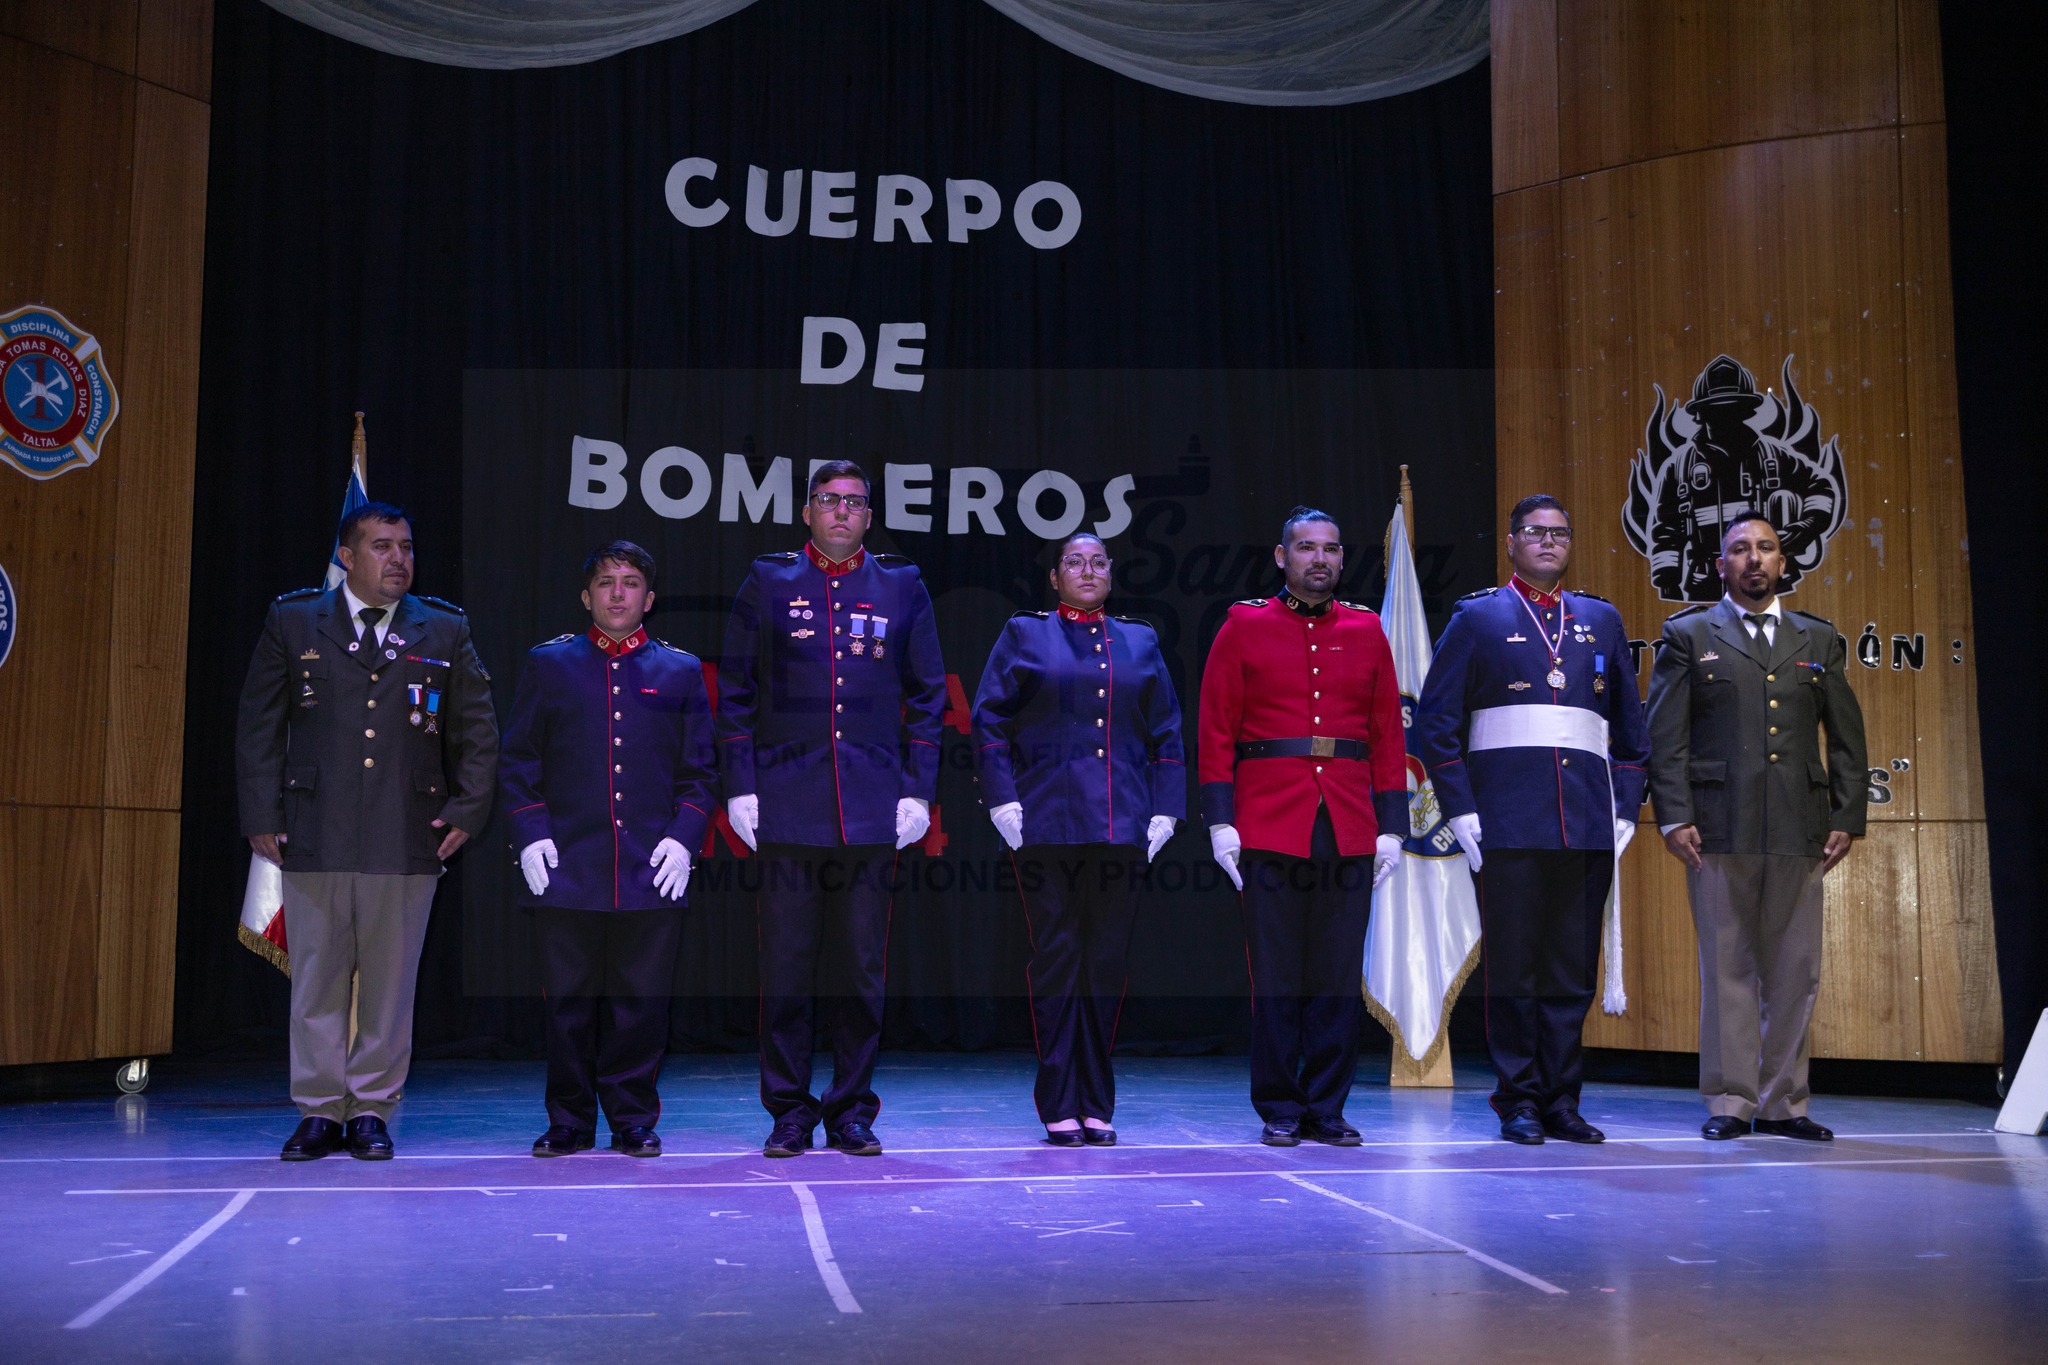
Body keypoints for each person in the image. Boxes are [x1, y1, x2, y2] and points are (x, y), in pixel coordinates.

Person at [237, 502, 497, 1161]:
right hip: (315, 828)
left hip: (406, 831)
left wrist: (468, 809)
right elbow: (259, 728)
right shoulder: (296, 619)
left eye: (406, 546)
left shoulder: (443, 629)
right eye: (382, 546)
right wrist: (262, 816)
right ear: (346, 558)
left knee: (388, 983)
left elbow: (478, 732)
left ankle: (372, 1108)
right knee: (318, 976)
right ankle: (321, 1110)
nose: (399, 559)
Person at [718, 460, 947, 1158]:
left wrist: (919, 788)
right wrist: (740, 785)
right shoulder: (771, 578)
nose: (842, 512)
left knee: (860, 970)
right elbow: (735, 690)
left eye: (854, 502)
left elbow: (930, 695)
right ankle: (789, 1108)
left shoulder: (901, 584)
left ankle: (851, 1108)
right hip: (788, 803)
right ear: (808, 511)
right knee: (786, 967)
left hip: (873, 805)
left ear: (870, 516)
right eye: (829, 500)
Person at [1414, 494, 1649, 1145]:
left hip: (1586, 824)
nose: (1549, 541)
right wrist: (1459, 808)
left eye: (1560, 533)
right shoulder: (1478, 617)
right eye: (1535, 532)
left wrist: (1625, 809)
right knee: (1515, 970)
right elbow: (1435, 723)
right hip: (1505, 824)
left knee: (1572, 970)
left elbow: (1631, 730)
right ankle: (1518, 1097)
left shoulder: (1600, 620)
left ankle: (1562, 1099)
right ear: (1512, 543)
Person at [1645, 510, 1867, 1141]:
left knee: (1795, 972)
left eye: (1765, 548)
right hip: (1717, 827)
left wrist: (1847, 815)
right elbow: (1667, 737)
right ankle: (1732, 1103)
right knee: (1728, 970)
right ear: (1722, 565)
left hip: (1800, 827)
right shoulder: (1690, 634)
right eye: (1739, 549)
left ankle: (1785, 1104)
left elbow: (1847, 739)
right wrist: (1675, 815)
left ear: (1783, 562)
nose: (1753, 559)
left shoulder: (1816, 640)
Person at [499, 542, 716, 1158]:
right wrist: (531, 831)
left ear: (649, 599)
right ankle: (568, 1119)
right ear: (585, 596)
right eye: (605, 583)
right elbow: (519, 760)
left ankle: (632, 1118)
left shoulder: (679, 671)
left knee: (639, 1006)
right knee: (568, 1006)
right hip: (567, 866)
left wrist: (684, 837)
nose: (617, 593)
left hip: (651, 868)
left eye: (629, 583)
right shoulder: (550, 664)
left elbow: (700, 771)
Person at [1198, 506, 1406, 1146]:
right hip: (1269, 819)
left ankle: (1327, 1106)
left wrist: (1392, 825)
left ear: (1344, 560)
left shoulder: (1367, 630)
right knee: (1279, 973)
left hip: (1347, 819)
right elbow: (1215, 727)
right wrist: (1219, 821)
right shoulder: (1244, 625)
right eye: (1306, 547)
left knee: (1337, 974)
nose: (1320, 558)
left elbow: (1386, 733)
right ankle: (1280, 1105)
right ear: (1282, 557)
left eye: (1331, 549)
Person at [972, 532, 1184, 1146]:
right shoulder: (1025, 634)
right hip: (1044, 823)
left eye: (1097, 563)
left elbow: (1167, 731)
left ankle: (1097, 1098)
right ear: (1055, 576)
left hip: (1122, 824)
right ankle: (1058, 1097)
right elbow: (988, 720)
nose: (1086, 571)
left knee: (1107, 962)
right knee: (1059, 958)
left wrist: (1166, 809)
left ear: (1111, 574)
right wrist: (1001, 797)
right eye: (1074, 562)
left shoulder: (1138, 640)